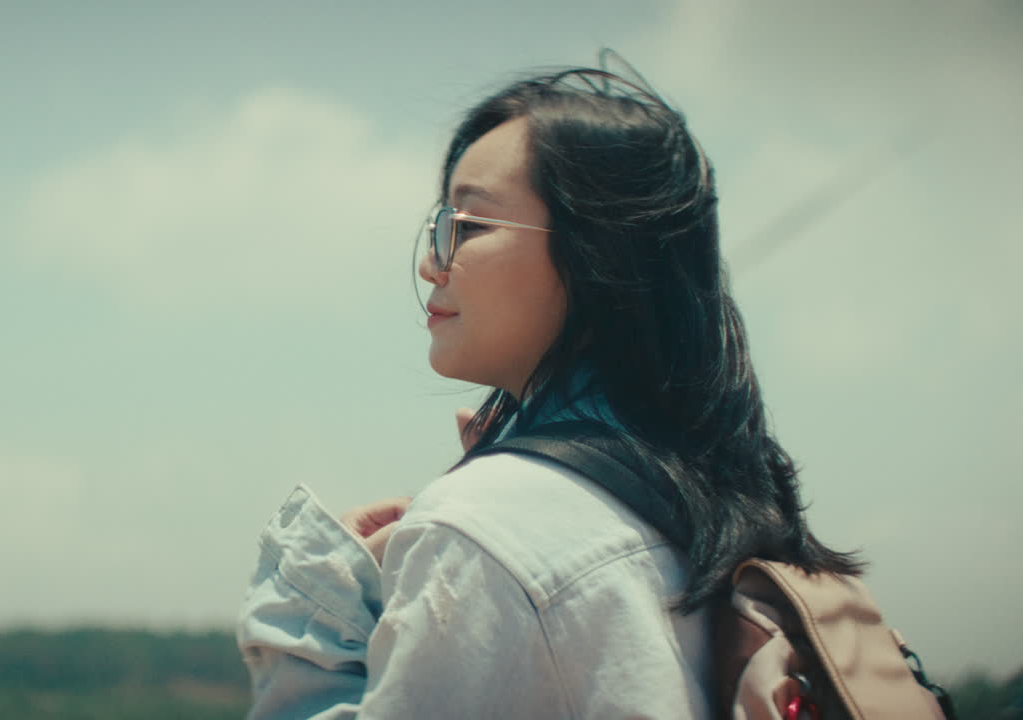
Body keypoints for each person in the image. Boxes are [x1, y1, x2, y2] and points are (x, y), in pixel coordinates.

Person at [235, 61, 861, 719]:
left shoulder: (482, 529)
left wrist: (320, 609)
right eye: (437, 226)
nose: (431, 263)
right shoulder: (706, 490)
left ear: (599, 253)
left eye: (468, 226)